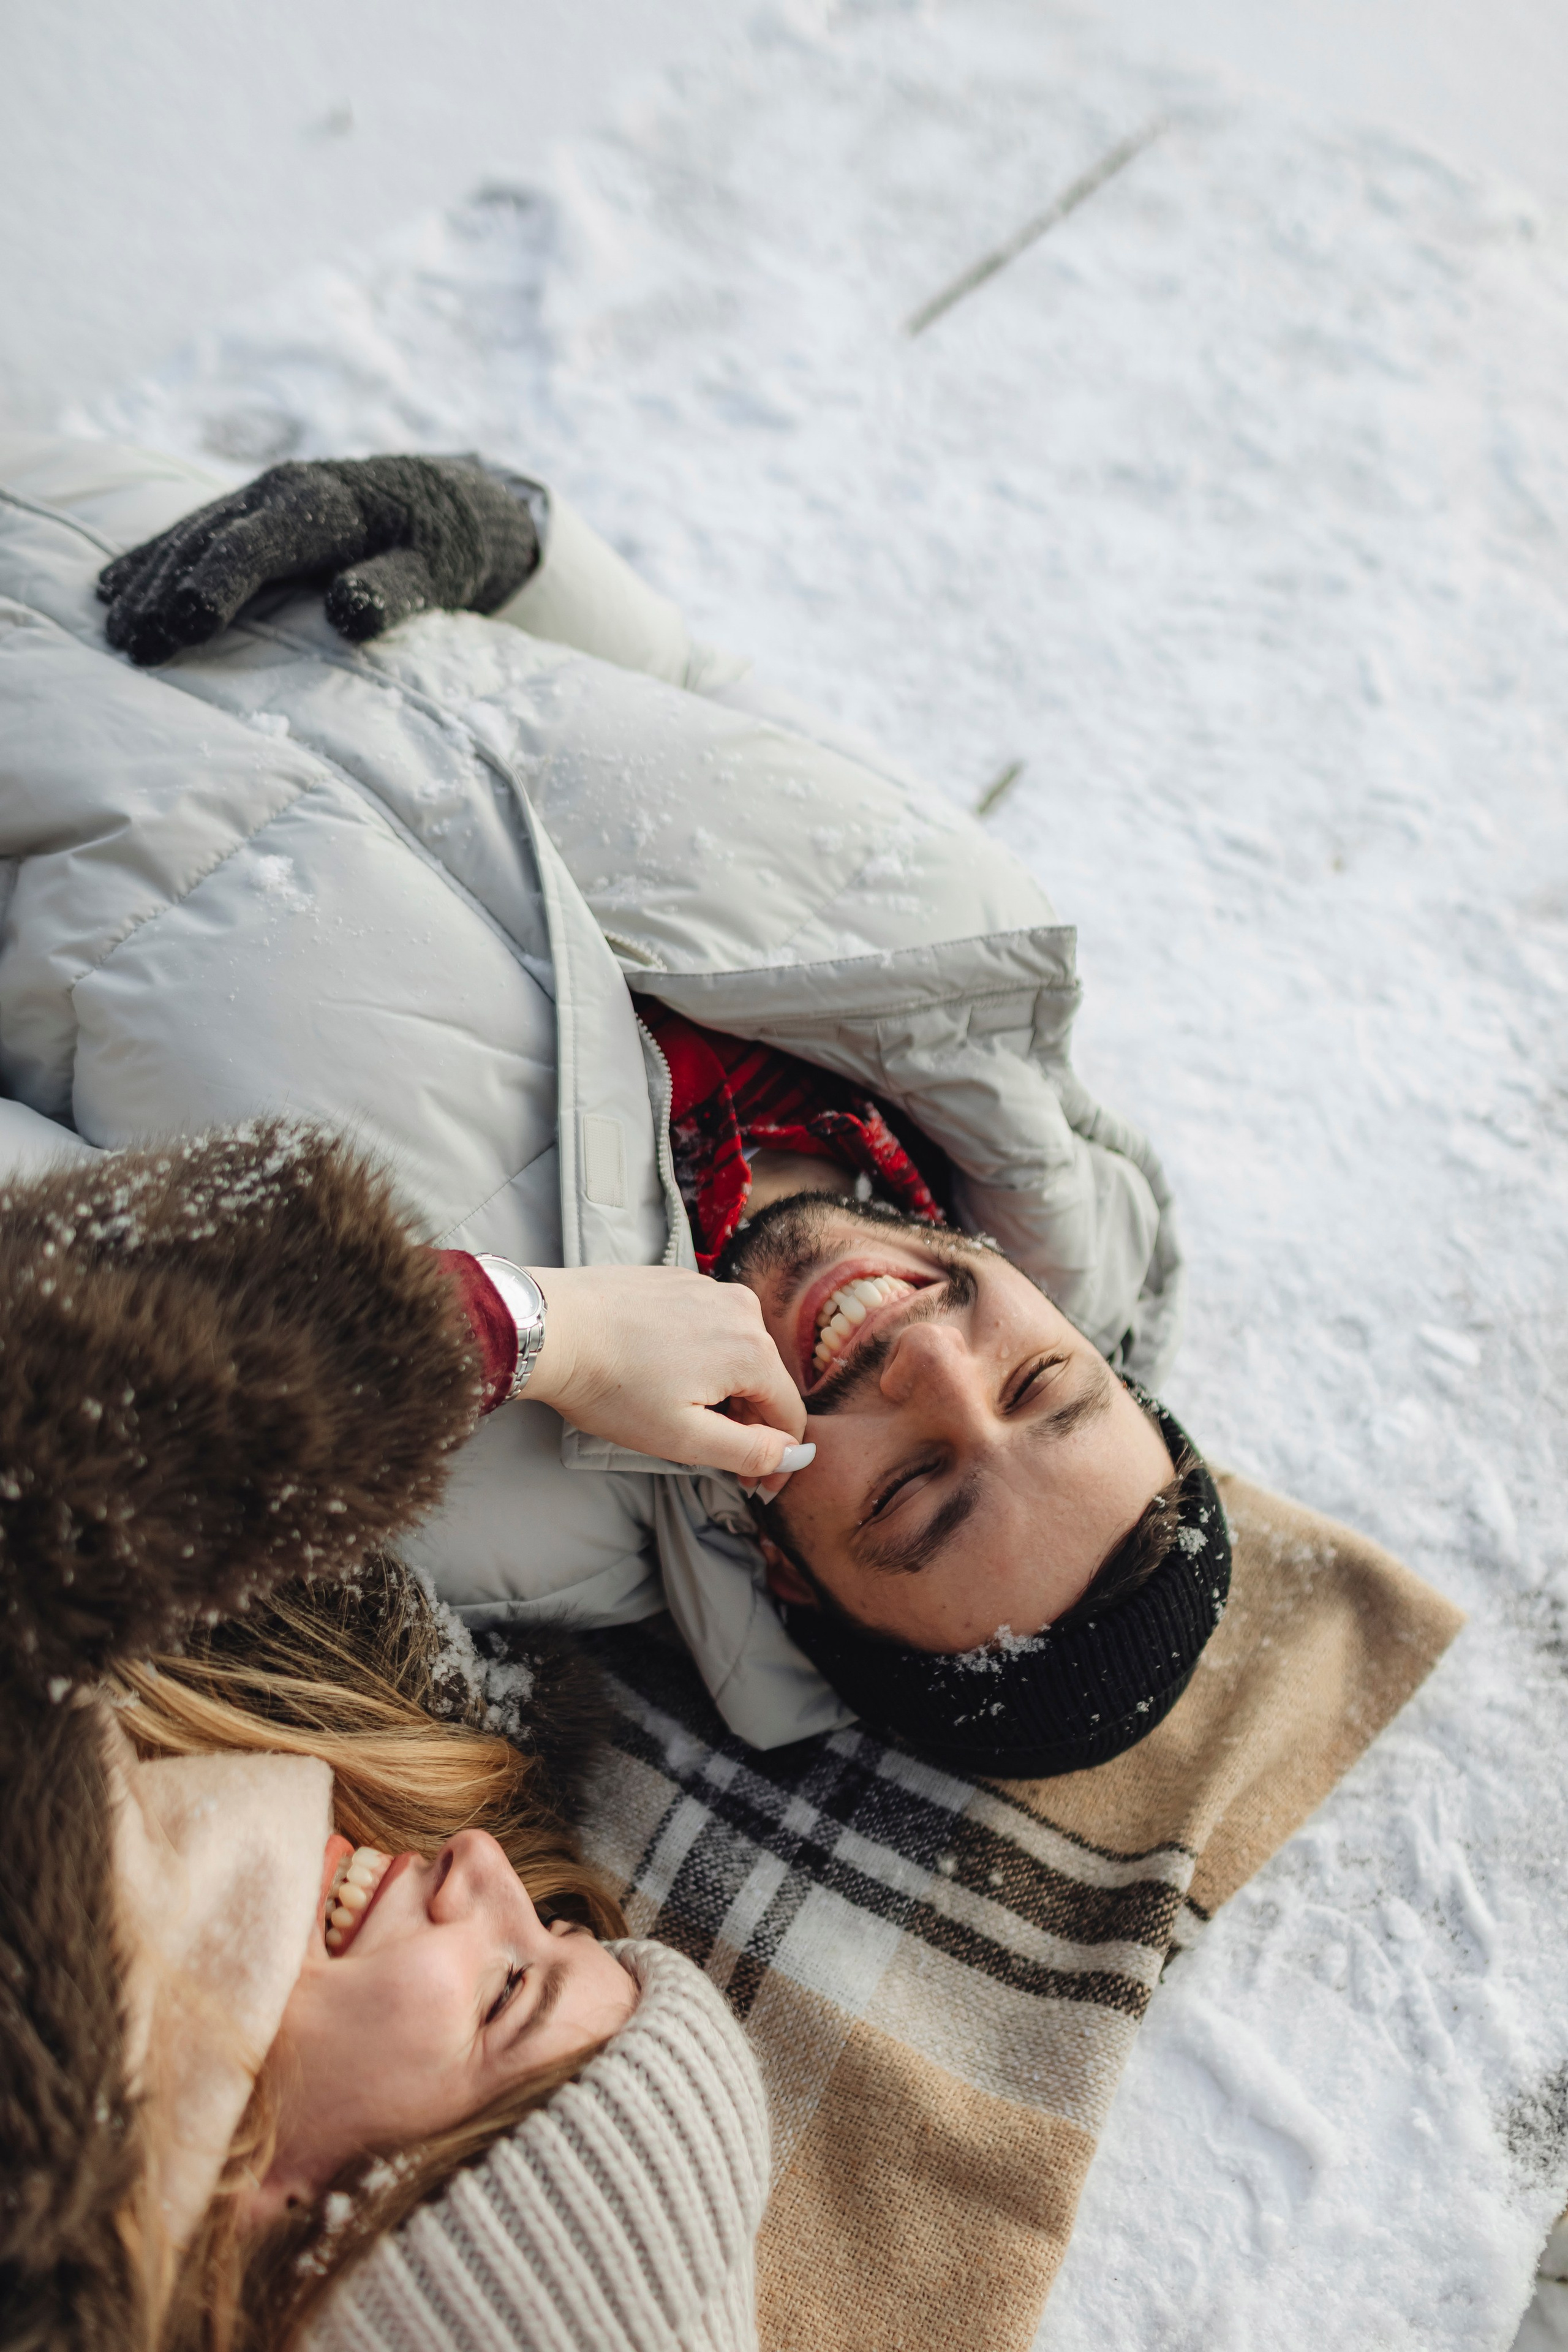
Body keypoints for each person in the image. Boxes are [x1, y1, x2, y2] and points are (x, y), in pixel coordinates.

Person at [0, 434, 1225, 1782]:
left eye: (911, 1487)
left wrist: (487, 1329)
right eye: (1040, 1379)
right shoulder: (976, 968)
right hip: (95, 492)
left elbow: (40, 1278)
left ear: (797, 1583)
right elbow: (694, 687)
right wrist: (505, 544)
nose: (931, 1364)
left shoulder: (458, 1492)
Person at [0, 1124, 769, 2352]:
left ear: (325, 2229)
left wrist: (511, 1326)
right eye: (557, 1927)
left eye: (512, 1989)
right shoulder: (382, 1725)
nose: (486, 1868)